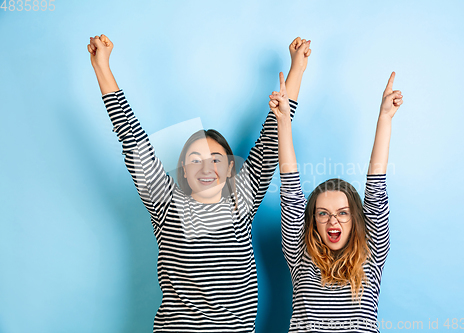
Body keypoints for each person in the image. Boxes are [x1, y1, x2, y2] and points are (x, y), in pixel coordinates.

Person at [87, 34, 311, 332]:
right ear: (182, 172)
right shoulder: (165, 200)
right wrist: (102, 66)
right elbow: (132, 137)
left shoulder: (241, 198)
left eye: (215, 159)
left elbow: (273, 136)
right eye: (195, 160)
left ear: (231, 168)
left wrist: (296, 69)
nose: (206, 167)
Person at [269, 71, 403, 332]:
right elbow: (290, 191)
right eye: (323, 214)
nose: (332, 221)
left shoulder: (371, 254)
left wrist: (385, 117)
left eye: (343, 213)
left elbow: (376, 188)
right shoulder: (300, 255)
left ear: (355, 219)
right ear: (313, 221)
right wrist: (283, 122)